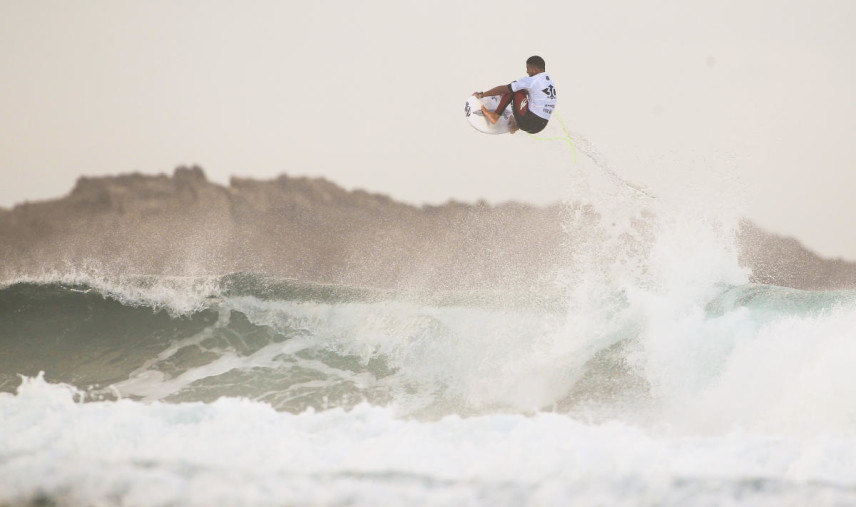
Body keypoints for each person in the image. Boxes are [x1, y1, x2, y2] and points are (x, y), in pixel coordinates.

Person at [473, 55, 557, 134]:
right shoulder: (549, 81)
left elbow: (504, 89)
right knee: (518, 89)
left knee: (514, 87)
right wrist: (506, 97)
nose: (527, 71)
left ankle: (495, 116)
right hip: (541, 126)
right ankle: (516, 125)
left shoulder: (532, 80)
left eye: (528, 68)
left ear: (535, 70)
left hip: (528, 122)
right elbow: (533, 93)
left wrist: (482, 95)